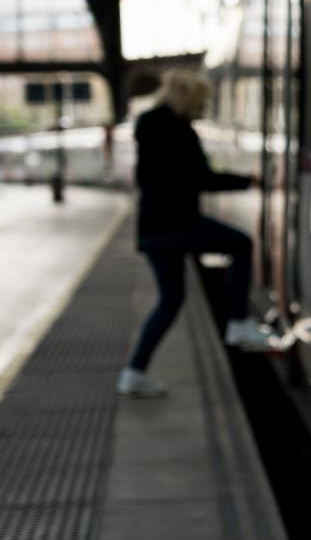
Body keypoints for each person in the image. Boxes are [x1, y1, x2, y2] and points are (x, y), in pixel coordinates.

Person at [118, 69, 275, 397]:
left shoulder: (147, 126)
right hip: (179, 224)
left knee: (170, 301)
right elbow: (203, 179)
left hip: (152, 229)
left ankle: (133, 372)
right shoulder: (181, 131)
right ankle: (237, 324)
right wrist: (250, 181)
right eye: (200, 103)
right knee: (241, 244)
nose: (202, 109)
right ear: (187, 100)